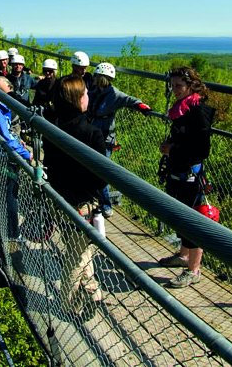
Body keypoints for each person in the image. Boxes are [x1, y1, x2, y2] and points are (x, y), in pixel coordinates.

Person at [45, 75, 107, 302]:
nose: (88, 96)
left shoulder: (52, 126)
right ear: (77, 99)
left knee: (78, 248)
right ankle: (66, 303)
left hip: (58, 201)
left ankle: (91, 291)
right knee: (77, 256)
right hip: (82, 205)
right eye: (85, 93)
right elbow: (102, 178)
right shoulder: (92, 133)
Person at [158, 66, 215, 289]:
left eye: (179, 86)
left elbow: (202, 150)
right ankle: (183, 255)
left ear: (190, 86)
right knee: (179, 215)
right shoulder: (183, 108)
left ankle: (193, 269)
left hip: (190, 173)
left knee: (192, 220)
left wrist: (173, 150)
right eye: (172, 86)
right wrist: (172, 148)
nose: (175, 90)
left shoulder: (197, 112)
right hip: (178, 170)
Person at [88, 62, 151, 217]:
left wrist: (141, 106)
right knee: (90, 167)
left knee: (102, 170)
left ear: (101, 77)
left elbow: (128, 100)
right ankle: (93, 198)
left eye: (96, 76)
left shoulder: (113, 94)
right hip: (92, 133)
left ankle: (106, 205)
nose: (94, 78)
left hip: (104, 138)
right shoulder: (93, 91)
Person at [0, 76, 32, 241]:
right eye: (7, 92)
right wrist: (27, 155)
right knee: (11, 194)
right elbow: (6, 139)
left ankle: (5, 227)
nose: (10, 96)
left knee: (5, 192)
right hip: (5, 159)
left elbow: (6, 133)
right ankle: (13, 232)